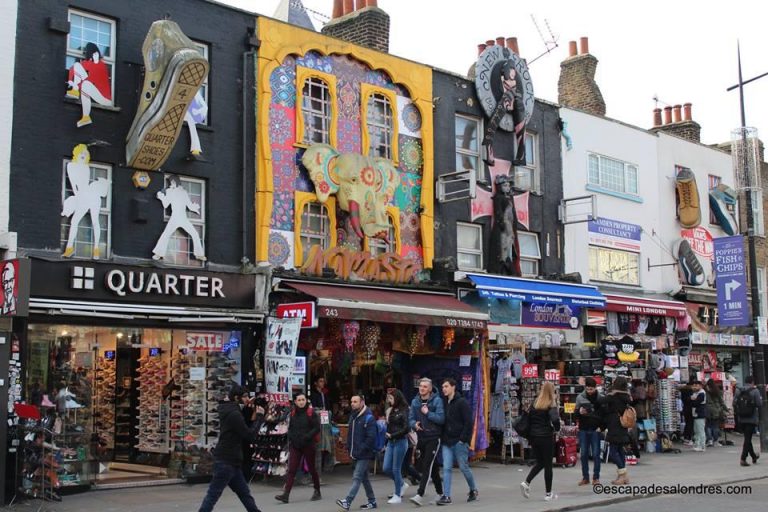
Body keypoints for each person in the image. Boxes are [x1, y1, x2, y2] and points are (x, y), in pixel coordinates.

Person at [198, 385, 264, 512]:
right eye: (244, 397)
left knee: (244, 493)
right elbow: (249, 434)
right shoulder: (234, 414)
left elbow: (241, 424)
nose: (247, 399)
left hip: (232, 461)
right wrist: (260, 417)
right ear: (236, 397)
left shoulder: (230, 409)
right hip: (226, 461)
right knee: (213, 495)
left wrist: (246, 407)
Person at [437, 378, 478, 506]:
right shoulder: (444, 402)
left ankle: (473, 490)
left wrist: (463, 440)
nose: (444, 389)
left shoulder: (462, 402)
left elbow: (469, 423)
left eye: (446, 386)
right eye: (443, 387)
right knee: (447, 468)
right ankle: (447, 496)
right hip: (447, 442)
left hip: (459, 441)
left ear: (453, 387)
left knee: (463, 467)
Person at [275, 393, 321, 504]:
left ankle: (317, 490)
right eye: (299, 400)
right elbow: (290, 428)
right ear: (295, 402)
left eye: (303, 399)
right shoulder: (292, 413)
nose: (301, 402)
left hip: (308, 445)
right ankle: (286, 495)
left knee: (312, 469)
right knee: (291, 470)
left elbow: (317, 428)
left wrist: (307, 437)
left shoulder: (311, 413)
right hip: (295, 445)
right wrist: (291, 437)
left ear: (306, 400)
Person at [520, 381, 560, 502]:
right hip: (545, 437)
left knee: (540, 462)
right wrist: (556, 429)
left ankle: (526, 482)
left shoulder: (535, 403)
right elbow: (555, 419)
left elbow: (530, 419)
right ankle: (548, 494)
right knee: (548, 465)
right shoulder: (550, 404)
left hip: (534, 437)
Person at [336, 394, 377, 511]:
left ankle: (347, 501)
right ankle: (372, 501)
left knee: (357, 477)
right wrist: (348, 447)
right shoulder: (353, 416)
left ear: (362, 402)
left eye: (355, 401)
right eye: (351, 401)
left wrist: (361, 448)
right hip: (355, 452)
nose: (352, 404)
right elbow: (350, 435)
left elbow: (371, 438)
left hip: (364, 454)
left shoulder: (369, 418)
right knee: (364, 478)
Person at [408, 377, 445, 506]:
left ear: (429, 389)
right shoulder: (415, 402)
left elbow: (441, 419)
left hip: (434, 437)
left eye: (424, 386)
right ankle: (441, 493)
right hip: (421, 437)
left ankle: (420, 494)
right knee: (433, 468)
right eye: (420, 386)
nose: (421, 388)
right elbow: (410, 418)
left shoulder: (437, 400)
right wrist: (414, 424)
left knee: (427, 465)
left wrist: (428, 413)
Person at [153, 175, 206, 262]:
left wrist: (195, 208)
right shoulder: (170, 191)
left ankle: (199, 254)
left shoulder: (183, 192)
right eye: (170, 182)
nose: (171, 183)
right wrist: (161, 197)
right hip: (175, 217)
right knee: (166, 234)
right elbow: (165, 204)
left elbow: (189, 205)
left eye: (173, 182)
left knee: (195, 234)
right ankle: (158, 253)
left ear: (176, 182)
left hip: (183, 217)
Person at [66, 42, 113, 127]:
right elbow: (74, 68)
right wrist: (70, 80)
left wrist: (77, 84)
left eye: (96, 53)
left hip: (105, 99)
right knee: (77, 67)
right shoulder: (89, 64)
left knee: (86, 84)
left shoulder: (102, 66)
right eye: (93, 53)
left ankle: (76, 90)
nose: (95, 55)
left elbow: (95, 81)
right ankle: (86, 117)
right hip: (94, 92)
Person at [600, 377, 632, 485]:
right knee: (620, 450)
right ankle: (622, 476)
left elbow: (601, 401)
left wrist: (608, 393)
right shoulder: (626, 396)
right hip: (623, 425)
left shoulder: (613, 397)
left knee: (613, 452)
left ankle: (623, 474)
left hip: (614, 426)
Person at [382, 389, 411, 504]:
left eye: (391, 398)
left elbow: (406, 428)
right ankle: (401, 485)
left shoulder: (405, 410)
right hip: (390, 442)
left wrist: (392, 435)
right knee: (386, 468)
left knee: (396, 468)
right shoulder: (391, 409)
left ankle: (397, 495)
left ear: (397, 398)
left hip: (400, 441)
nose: (389, 401)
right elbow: (390, 425)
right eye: (388, 398)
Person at [575, 377, 602, 486]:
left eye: (591, 389)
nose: (589, 391)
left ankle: (596, 478)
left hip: (595, 429)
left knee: (596, 454)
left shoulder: (600, 398)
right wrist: (579, 412)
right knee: (584, 454)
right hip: (583, 429)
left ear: (595, 388)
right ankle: (585, 477)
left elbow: (604, 414)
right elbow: (575, 413)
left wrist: (602, 427)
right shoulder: (580, 398)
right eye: (588, 389)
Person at [736, 376, 763, 466]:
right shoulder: (755, 391)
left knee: (747, 438)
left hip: (741, 418)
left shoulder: (738, 390)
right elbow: (759, 404)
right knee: (748, 438)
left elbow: (734, 402)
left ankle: (754, 456)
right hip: (751, 418)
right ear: (752, 382)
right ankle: (743, 458)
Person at [705, 379, 726, 447]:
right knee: (715, 426)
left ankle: (709, 440)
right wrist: (725, 409)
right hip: (717, 410)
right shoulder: (717, 391)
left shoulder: (705, 392)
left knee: (708, 426)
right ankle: (716, 441)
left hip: (708, 410)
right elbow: (721, 401)